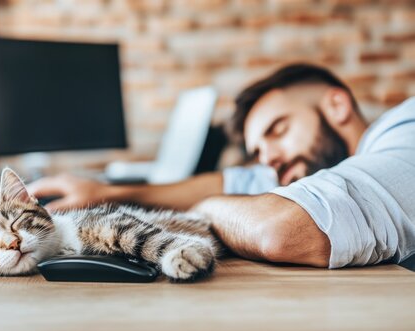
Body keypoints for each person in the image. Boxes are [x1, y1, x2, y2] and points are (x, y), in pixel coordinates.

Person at [28, 63, 415, 269]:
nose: (270, 159)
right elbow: (234, 179)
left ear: (336, 105)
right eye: (259, 151)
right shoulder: (308, 165)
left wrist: (206, 210)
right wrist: (108, 194)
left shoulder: (406, 129)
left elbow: (282, 229)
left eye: (278, 130)